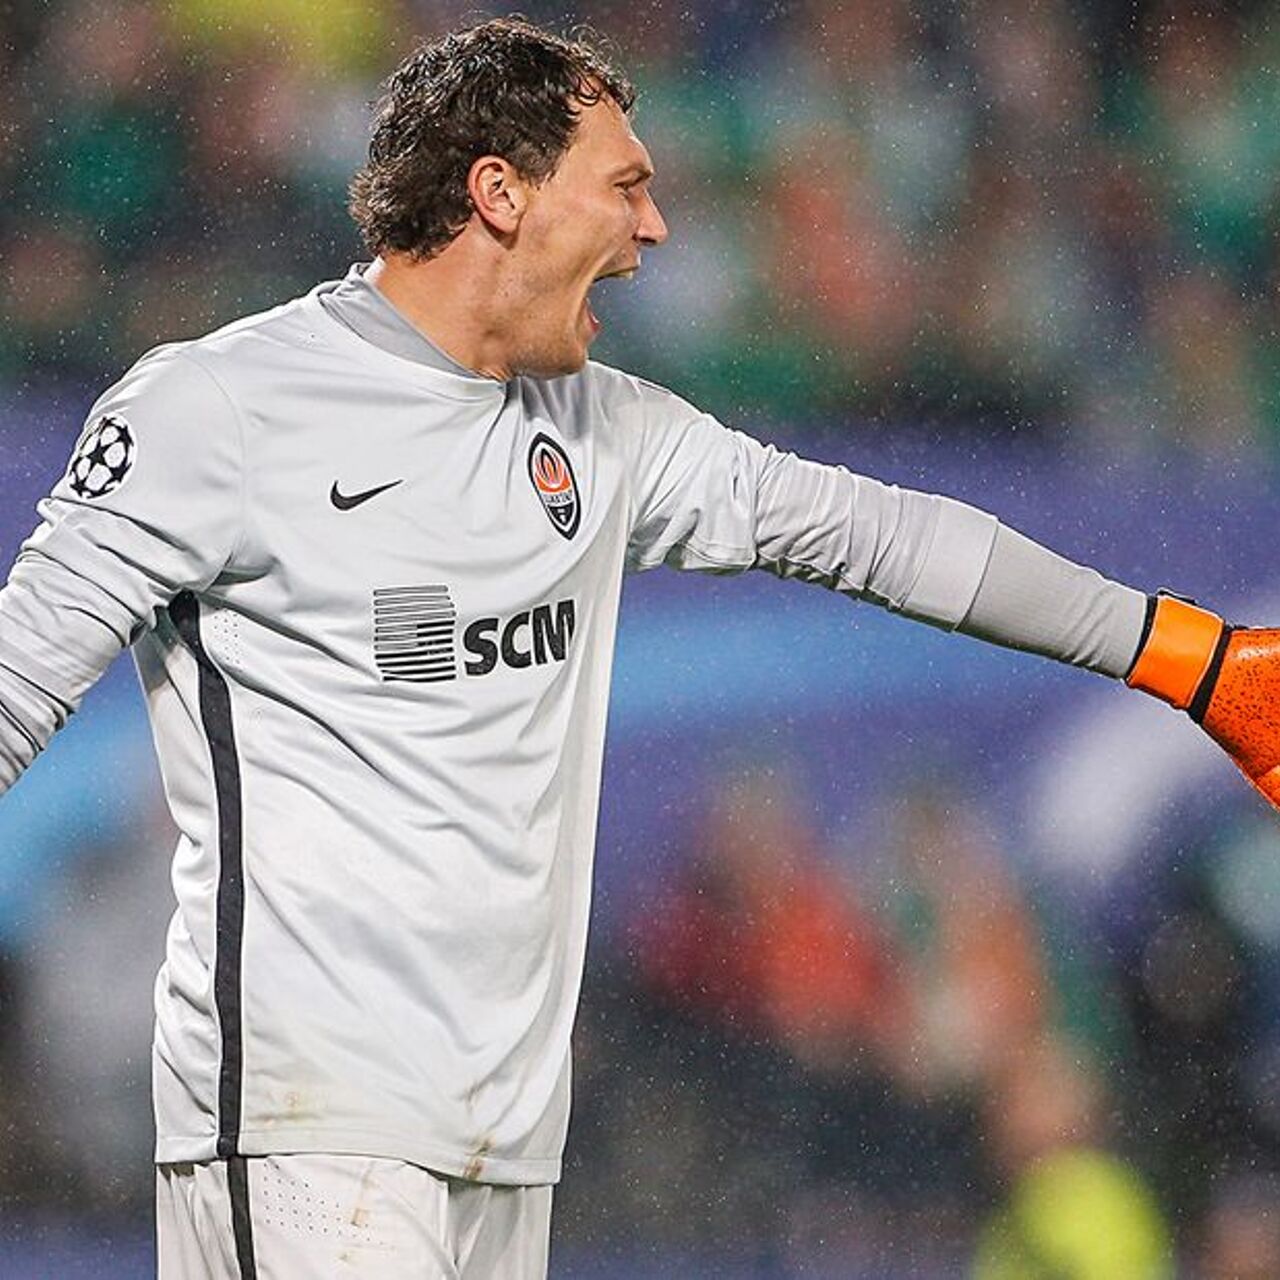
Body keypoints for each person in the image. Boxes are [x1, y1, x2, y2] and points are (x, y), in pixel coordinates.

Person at [0, 16, 1276, 1279]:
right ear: (499, 192)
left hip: (504, 1140)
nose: (654, 229)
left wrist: (1195, 659)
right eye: (623, 186)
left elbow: (878, 535)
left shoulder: (602, 430)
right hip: (303, 1120)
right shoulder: (219, 409)